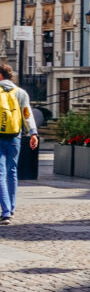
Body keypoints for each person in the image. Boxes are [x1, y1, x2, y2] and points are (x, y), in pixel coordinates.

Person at [0, 63, 39, 224]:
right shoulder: (21, 92)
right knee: (12, 172)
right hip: (15, 136)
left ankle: (6, 212)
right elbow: (27, 114)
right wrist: (33, 133)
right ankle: (12, 208)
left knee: (0, 174)